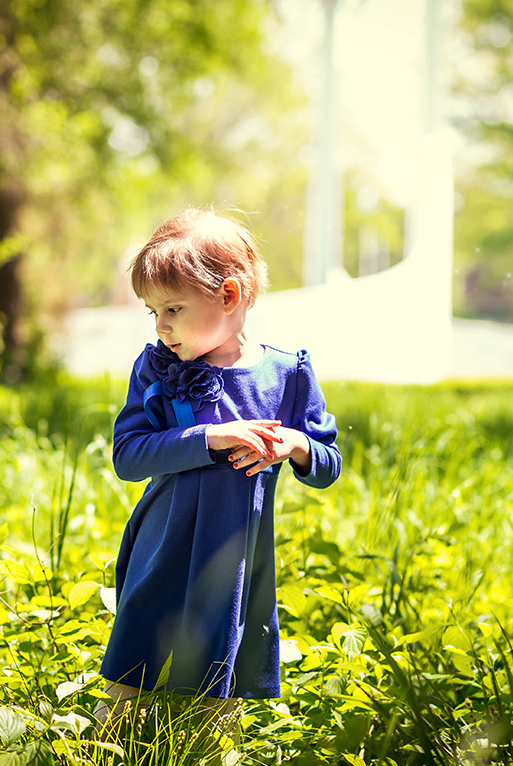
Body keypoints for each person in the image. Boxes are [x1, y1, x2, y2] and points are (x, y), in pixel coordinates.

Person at [96, 208, 342, 742]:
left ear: (229, 296)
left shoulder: (287, 374)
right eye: (152, 311)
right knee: (138, 652)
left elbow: (327, 463)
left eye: (173, 308)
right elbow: (129, 455)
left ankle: (207, 746)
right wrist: (209, 439)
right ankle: (109, 740)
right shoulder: (158, 367)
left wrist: (296, 445)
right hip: (165, 541)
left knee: (220, 662)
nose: (161, 325)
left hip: (237, 553)